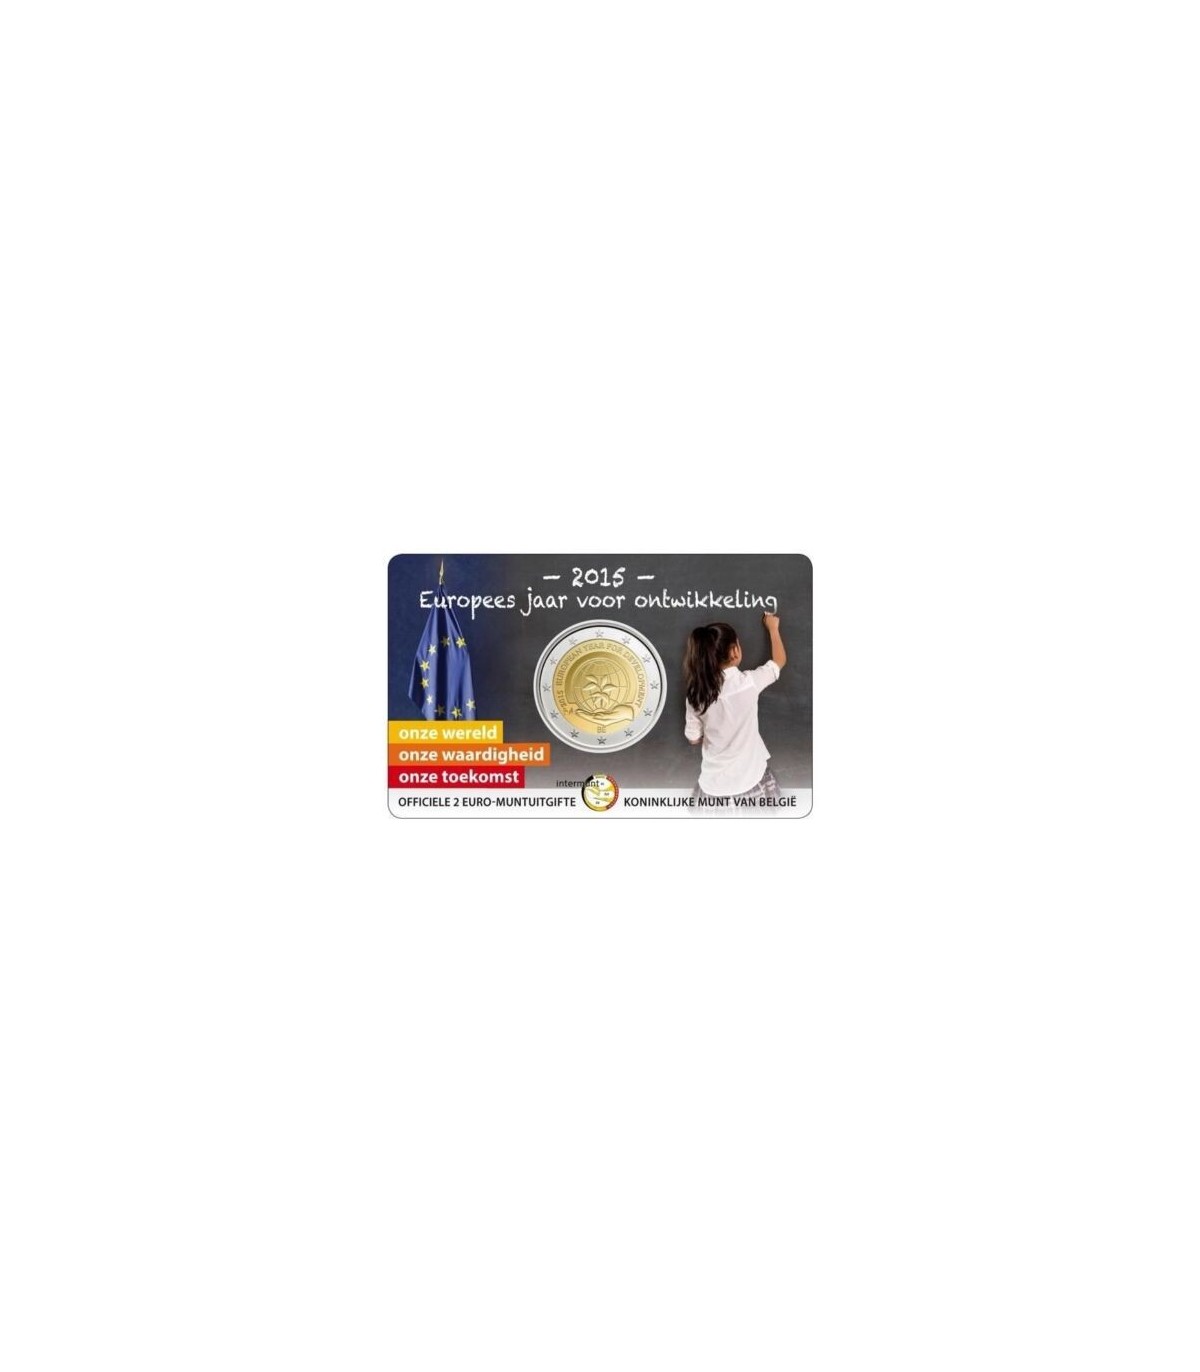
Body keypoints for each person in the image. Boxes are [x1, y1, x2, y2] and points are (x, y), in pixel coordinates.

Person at [683, 614, 786, 801]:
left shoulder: (695, 695)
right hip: (751, 779)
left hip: (713, 786)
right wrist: (773, 628)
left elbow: (693, 738)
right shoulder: (749, 683)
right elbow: (779, 661)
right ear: (734, 652)